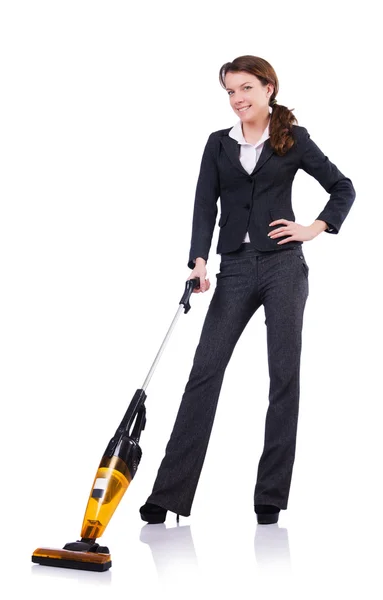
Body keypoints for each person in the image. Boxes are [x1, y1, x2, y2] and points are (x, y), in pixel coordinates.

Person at [139, 55, 356, 525]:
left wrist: (313, 228)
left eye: (245, 89)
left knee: (284, 377)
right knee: (204, 373)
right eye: (230, 92)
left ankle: (270, 496)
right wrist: (199, 260)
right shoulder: (218, 144)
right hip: (233, 269)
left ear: (268, 88)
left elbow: (343, 187)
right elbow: (204, 206)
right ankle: (169, 492)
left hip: (283, 267)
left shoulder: (293, 139)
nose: (237, 99)